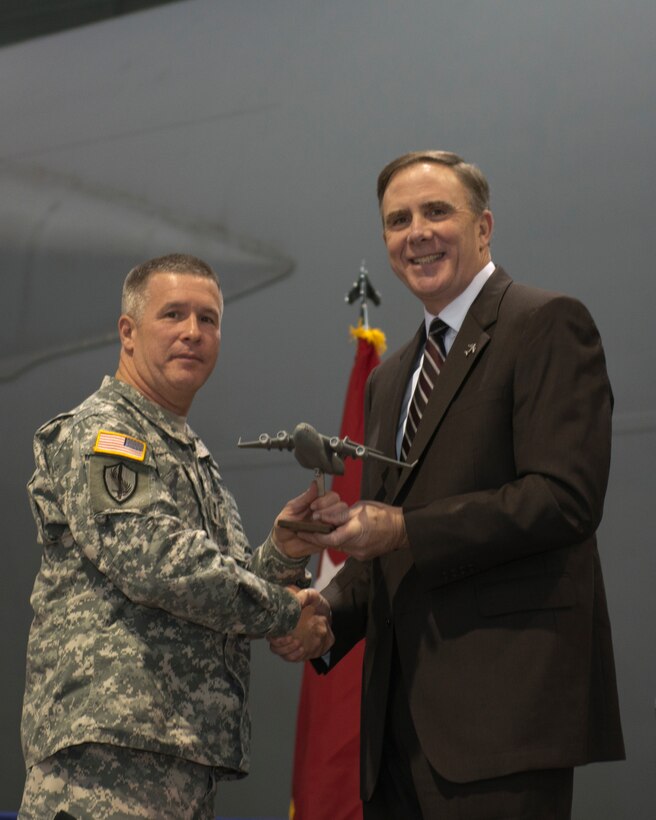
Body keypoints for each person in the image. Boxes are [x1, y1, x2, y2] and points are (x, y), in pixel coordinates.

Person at [270, 151, 625, 818]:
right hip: (394, 734)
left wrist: (405, 528)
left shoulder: (545, 324)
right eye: (398, 220)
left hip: (503, 723)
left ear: (484, 227)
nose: (416, 232)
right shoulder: (390, 377)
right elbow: (386, 549)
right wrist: (326, 618)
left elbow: (565, 498)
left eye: (438, 212)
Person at [19, 253, 341, 819]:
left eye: (209, 319)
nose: (193, 332)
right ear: (128, 331)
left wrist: (281, 556)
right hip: (106, 764)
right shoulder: (106, 433)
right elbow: (157, 564)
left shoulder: (188, 453)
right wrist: (288, 614)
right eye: (173, 315)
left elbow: (216, 591)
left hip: (172, 759)